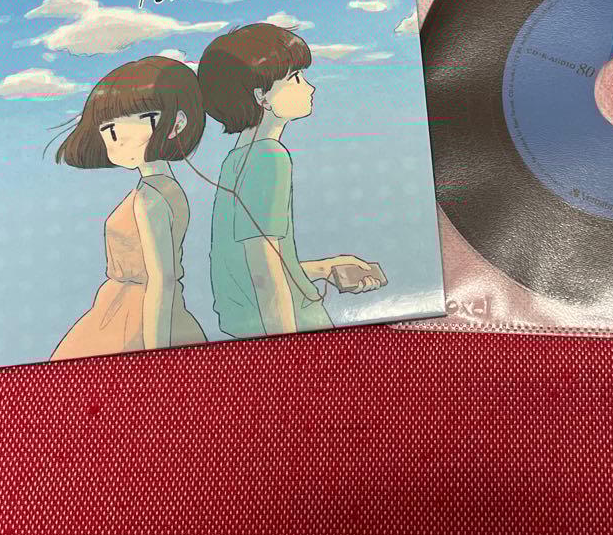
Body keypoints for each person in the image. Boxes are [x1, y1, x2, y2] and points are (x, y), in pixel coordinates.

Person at [197, 22, 385, 338]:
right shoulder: (269, 157)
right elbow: (265, 272)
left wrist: (326, 268)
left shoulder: (237, 159)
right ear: (262, 96)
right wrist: (286, 348)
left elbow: (252, 265)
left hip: (246, 325)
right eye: (295, 78)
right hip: (290, 322)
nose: (310, 87)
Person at [51, 56, 208, 361]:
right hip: (131, 306)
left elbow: (161, 279)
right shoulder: (166, 188)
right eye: (109, 129)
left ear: (176, 124)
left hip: (135, 314)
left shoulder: (151, 197)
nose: (120, 138)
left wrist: (155, 349)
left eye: (144, 119)